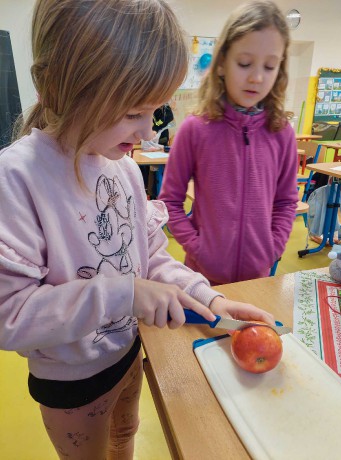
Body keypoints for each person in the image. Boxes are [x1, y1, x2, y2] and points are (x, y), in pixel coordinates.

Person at [0, 1, 274, 459]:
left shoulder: (122, 168)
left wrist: (211, 300)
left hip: (129, 353)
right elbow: (9, 316)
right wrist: (122, 293)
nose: (148, 133)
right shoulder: (18, 179)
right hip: (72, 383)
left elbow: (152, 261)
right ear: (57, 88)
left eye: (155, 112)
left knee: (125, 437)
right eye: (132, 113)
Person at [159, 0, 299, 286]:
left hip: (257, 279)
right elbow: (170, 202)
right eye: (244, 63)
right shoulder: (195, 130)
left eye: (270, 66)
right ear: (221, 63)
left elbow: (286, 201)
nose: (257, 77)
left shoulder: (282, 132)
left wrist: (272, 249)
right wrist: (198, 248)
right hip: (202, 279)